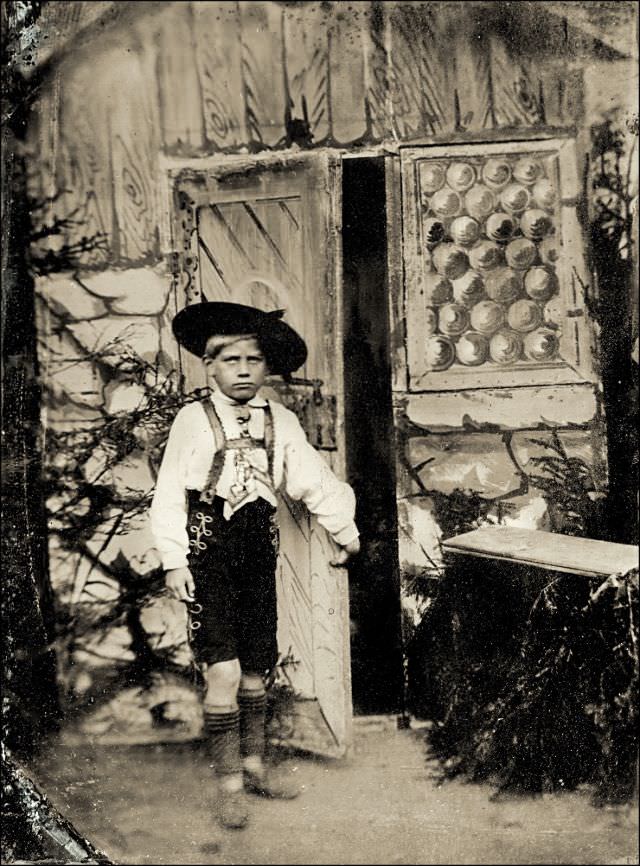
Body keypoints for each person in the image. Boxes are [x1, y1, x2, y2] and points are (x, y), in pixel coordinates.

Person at [150, 301, 360, 830]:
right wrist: (174, 559)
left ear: (267, 369)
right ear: (209, 365)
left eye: (254, 360)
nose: (243, 370)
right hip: (206, 558)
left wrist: (345, 529)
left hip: (256, 557)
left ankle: (253, 767)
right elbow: (170, 493)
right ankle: (227, 788)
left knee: (256, 672)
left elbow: (310, 476)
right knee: (221, 670)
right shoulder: (191, 419)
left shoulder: (280, 420)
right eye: (231, 360)